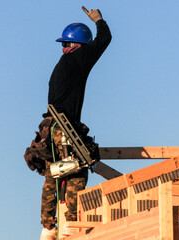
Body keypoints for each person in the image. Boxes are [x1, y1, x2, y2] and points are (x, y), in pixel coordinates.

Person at [38, 6, 112, 240]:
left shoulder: (63, 65)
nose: (64, 48)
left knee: (55, 171)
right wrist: (98, 19)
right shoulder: (78, 58)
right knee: (77, 171)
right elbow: (105, 39)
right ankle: (71, 226)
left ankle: (48, 226)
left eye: (65, 44)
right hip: (64, 128)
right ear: (81, 46)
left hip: (50, 129)